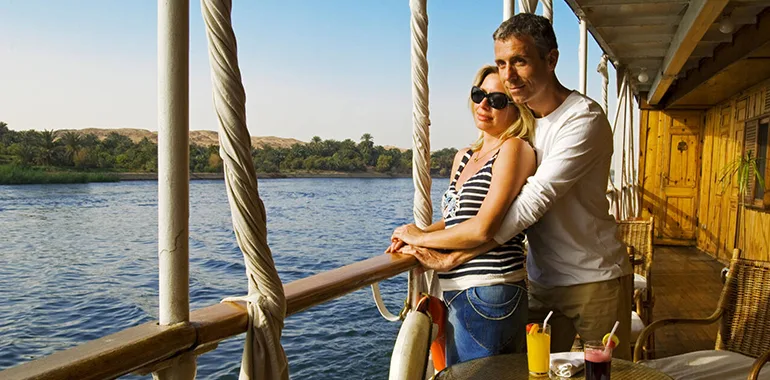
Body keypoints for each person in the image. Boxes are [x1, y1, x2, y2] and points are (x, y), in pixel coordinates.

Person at [396, 13, 634, 360]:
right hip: (539, 280)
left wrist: (456, 253)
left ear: (551, 60)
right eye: (501, 63)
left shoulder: (582, 118)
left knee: (610, 372)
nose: (507, 76)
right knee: (531, 371)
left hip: (593, 278)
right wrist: (426, 234)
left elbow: (532, 202)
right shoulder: (526, 128)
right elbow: (488, 205)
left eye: (519, 61)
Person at [387, 65, 537, 366]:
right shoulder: (466, 155)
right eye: (479, 95)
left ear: (517, 108)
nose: (483, 104)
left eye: (496, 100)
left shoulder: (514, 149)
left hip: (491, 292)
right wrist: (416, 234)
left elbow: (482, 228)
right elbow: (457, 219)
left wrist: (420, 237)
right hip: (458, 292)